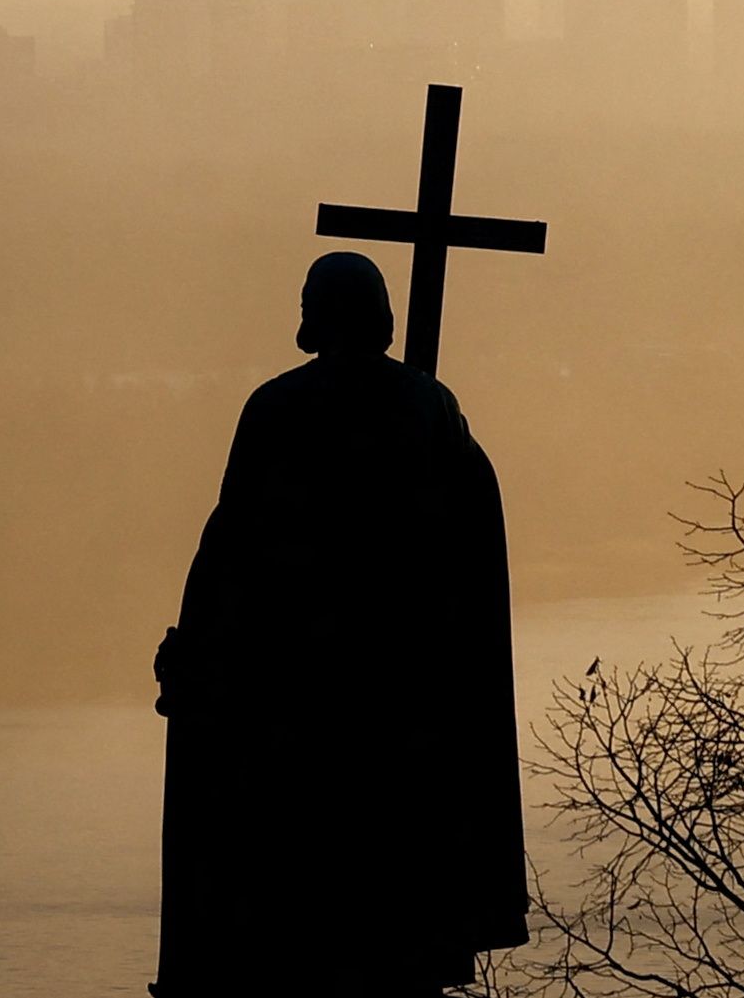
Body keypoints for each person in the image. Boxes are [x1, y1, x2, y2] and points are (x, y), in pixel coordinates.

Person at [154, 251, 529, 997]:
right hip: (402, 706)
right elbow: (462, 552)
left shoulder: (278, 407)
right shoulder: (432, 408)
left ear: (319, 314)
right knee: (387, 908)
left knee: (300, 905)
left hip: (297, 704)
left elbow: (231, 544)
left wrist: (194, 649)